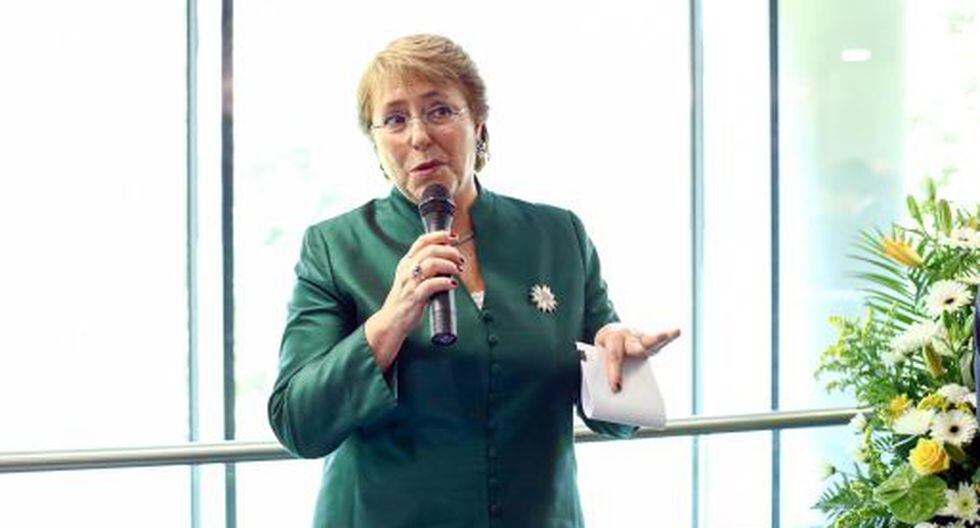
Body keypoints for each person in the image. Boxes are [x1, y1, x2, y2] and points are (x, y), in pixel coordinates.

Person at [267, 34, 681, 527]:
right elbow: (298, 424)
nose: (419, 136)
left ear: (478, 124)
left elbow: (615, 421)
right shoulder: (336, 247)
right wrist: (389, 321)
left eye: (440, 111)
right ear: (376, 143)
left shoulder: (558, 236)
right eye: (395, 120)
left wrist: (623, 365)